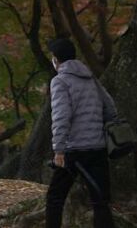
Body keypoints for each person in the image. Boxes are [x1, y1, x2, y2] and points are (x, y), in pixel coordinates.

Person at [46, 37, 116, 228]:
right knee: (101, 201)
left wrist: (58, 151)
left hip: (73, 150)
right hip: (98, 148)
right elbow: (110, 109)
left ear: (57, 59)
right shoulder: (91, 78)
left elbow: (61, 117)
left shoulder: (60, 81)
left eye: (52, 57)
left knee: (55, 198)